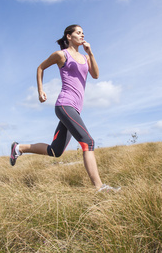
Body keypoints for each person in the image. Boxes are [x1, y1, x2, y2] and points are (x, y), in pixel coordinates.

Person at [10, 24, 120, 192]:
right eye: (78, 32)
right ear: (69, 36)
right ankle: (100, 187)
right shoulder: (62, 55)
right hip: (64, 105)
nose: (82, 35)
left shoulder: (85, 57)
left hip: (75, 109)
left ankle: (19, 148)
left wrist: (90, 53)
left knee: (55, 151)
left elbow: (96, 75)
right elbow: (40, 68)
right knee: (88, 142)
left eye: (83, 33)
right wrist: (40, 90)